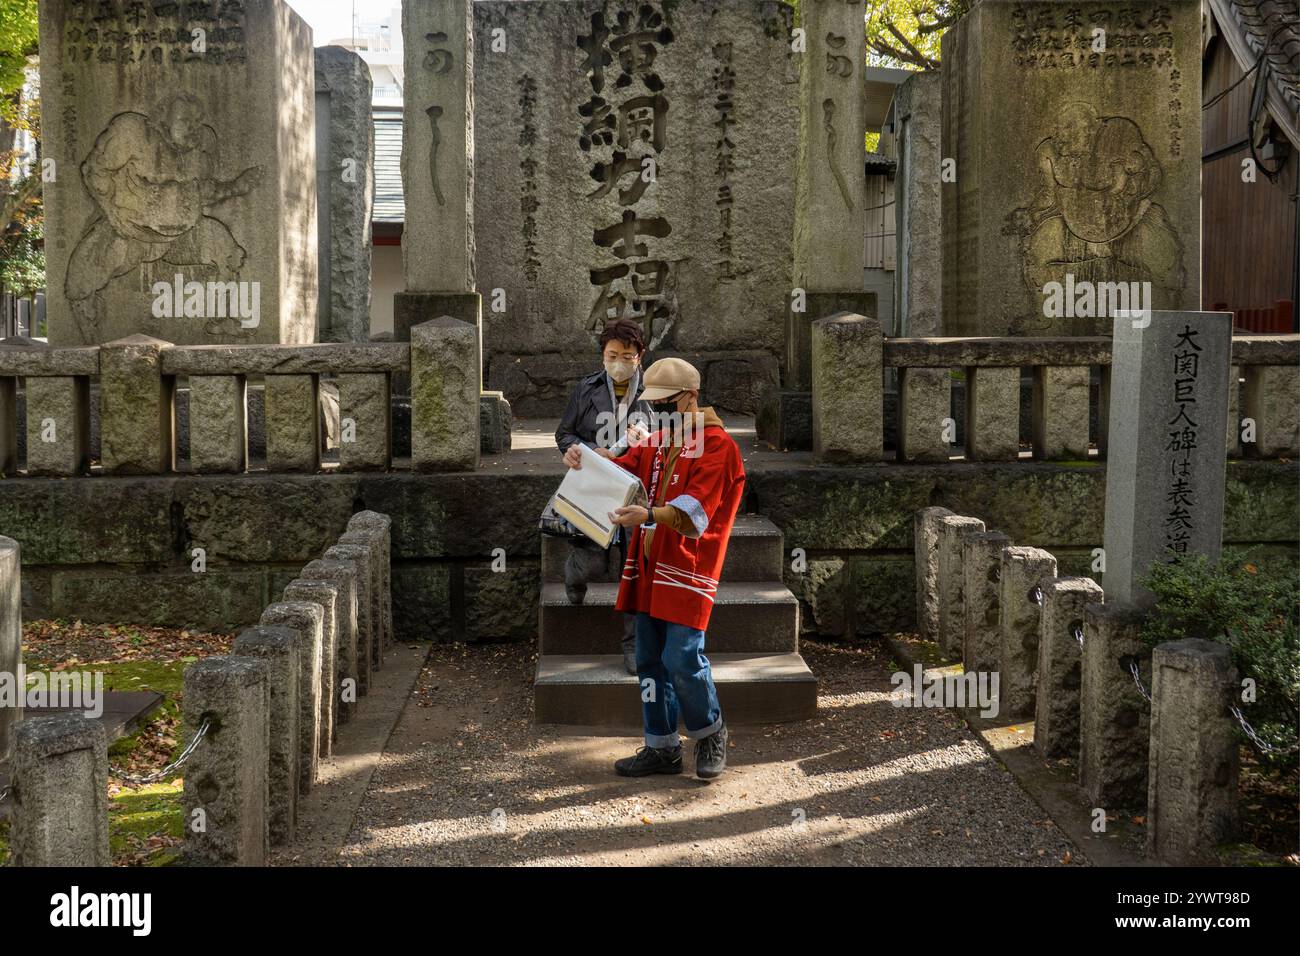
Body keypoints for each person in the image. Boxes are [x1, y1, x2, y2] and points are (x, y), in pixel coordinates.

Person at [562, 357, 745, 781]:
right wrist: (582, 456)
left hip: (689, 565)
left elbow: (695, 512)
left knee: (681, 656)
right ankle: (660, 745)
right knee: (648, 659)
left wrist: (645, 516)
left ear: (691, 398)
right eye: (655, 403)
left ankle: (711, 730)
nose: (657, 409)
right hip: (648, 560)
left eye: (665, 402)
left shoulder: (718, 446)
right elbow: (619, 464)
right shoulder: (663, 438)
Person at [554, 318, 652, 674]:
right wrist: (585, 450)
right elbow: (564, 435)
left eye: (627, 355)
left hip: (637, 489)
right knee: (593, 559)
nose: (619, 362)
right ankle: (573, 574)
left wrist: (647, 442)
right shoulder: (587, 389)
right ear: (602, 356)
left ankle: (633, 647)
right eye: (612, 355)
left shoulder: (654, 392)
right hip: (596, 483)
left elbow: (673, 438)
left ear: (639, 356)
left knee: (634, 568)